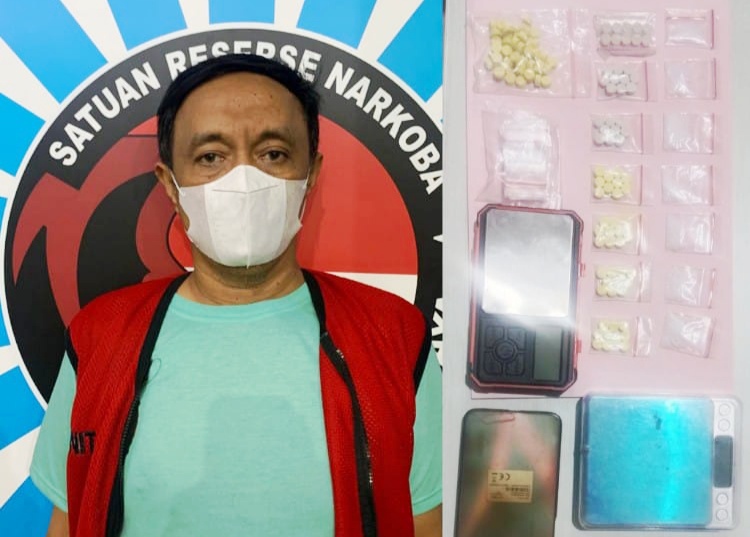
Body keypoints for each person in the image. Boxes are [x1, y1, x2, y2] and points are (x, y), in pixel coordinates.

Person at [30, 53, 442, 537]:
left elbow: (423, 520)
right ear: (170, 185)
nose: (244, 180)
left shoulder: (394, 336)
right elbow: (71, 518)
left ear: (310, 175)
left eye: (273, 154)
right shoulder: (100, 337)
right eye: (211, 157)